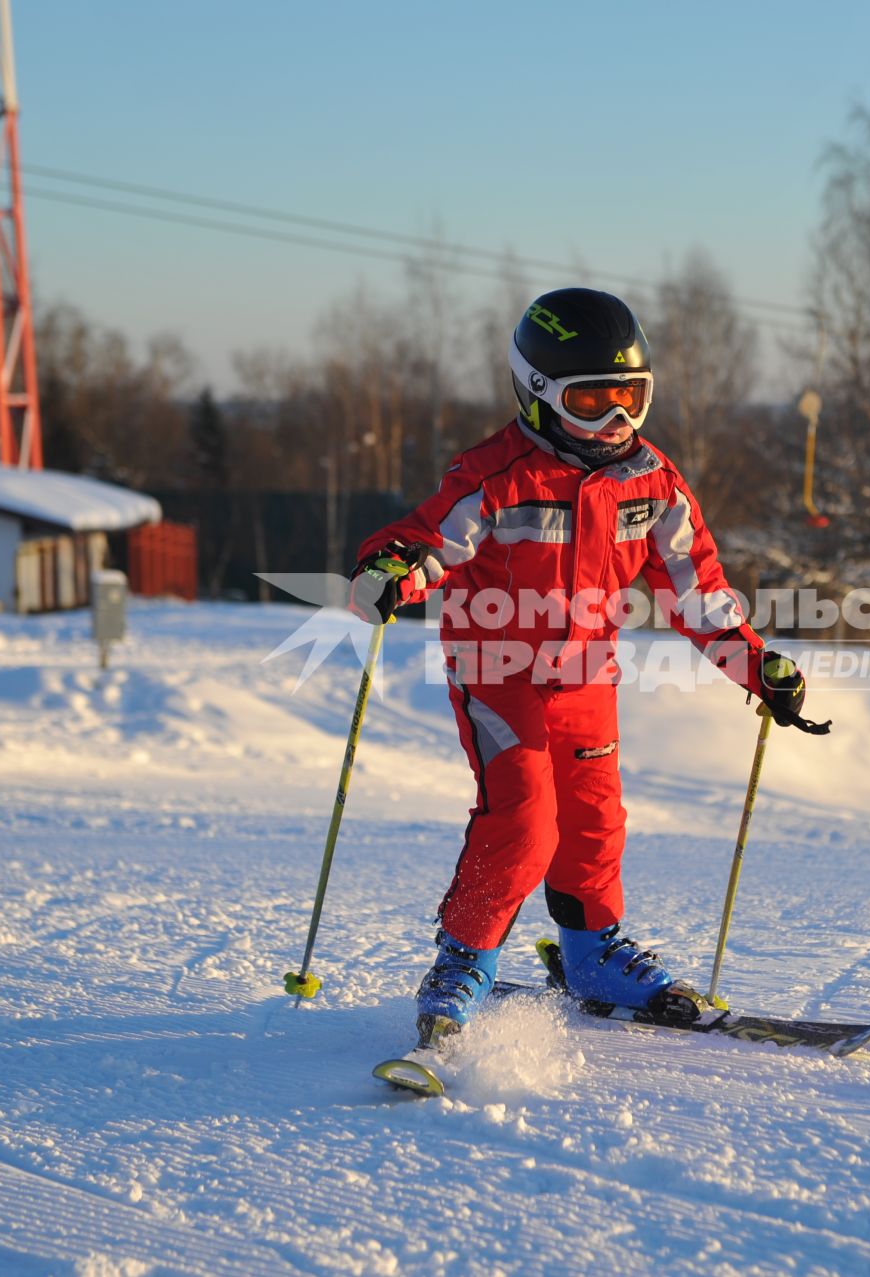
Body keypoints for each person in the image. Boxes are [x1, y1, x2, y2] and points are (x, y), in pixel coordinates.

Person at [347, 287, 816, 1047]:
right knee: (526, 821)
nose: (616, 420)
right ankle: (464, 957)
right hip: (497, 667)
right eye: (591, 400)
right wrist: (395, 567)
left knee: (595, 821)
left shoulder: (652, 483)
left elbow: (700, 593)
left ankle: (591, 951)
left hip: (587, 676)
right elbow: (430, 538)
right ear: (536, 394)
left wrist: (757, 668)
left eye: (631, 398)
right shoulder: (496, 475)